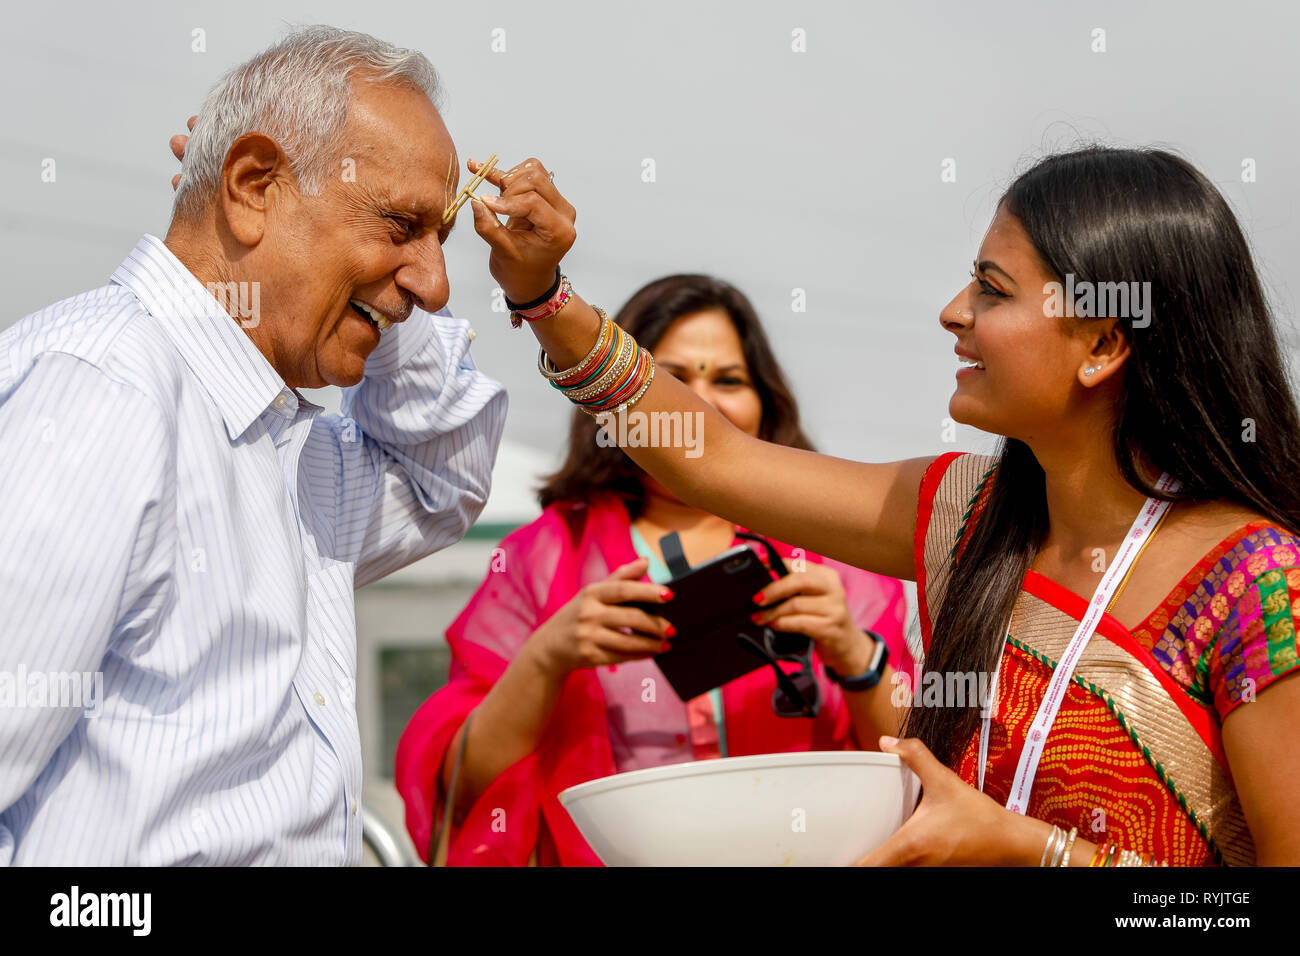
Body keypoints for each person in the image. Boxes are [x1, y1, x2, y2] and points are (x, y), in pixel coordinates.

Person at [461, 145, 1300, 866]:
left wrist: (1030, 850)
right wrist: (542, 296)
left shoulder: (1255, 585)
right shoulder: (968, 516)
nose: (953, 313)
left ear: (1105, 343)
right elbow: (712, 459)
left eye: (993, 290)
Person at [0, 26, 513, 865]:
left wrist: (393, 297)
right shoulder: (106, 392)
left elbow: (441, 478)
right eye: (400, 224)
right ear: (252, 186)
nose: (437, 283)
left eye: (440, 240)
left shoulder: (280, 441)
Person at [396, 274, 912, 865]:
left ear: (767, 407)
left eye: (729, 380)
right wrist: (547, 657)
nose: (698, 402)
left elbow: (921, 768)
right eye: (671, 379)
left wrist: (856, 654)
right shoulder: (545, 557)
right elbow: (463, 790)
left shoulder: (832, 549)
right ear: (614, 397)